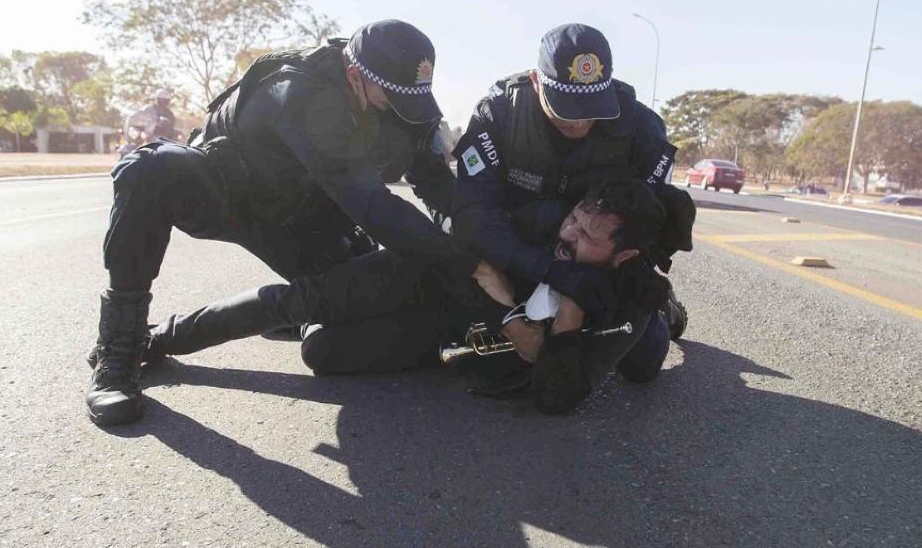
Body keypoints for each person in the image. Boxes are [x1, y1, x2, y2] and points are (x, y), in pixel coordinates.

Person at [85, 19, 485, 427]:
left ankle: (250, 324)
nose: (403, 111)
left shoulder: (399, 99)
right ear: (354, 76)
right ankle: (120, 343)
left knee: (351, 303)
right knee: (151, 168)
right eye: (392, 98)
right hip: (233, 195)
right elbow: (373, 206)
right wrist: (468, 264)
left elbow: (438, 186)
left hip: (309, 217)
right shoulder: (301, 89)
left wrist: (485, 245)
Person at [143, 177, 676, 415]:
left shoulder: (629, 299)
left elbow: (558, 398)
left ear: (623, 255)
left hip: (457, 335)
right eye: (573, 220)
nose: (568, 235)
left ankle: (670, 320)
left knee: (645, 361)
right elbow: (465, 251)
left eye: (588, 237)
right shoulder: (537, 222)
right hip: (432, 277)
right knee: (303, 304)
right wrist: (508, 309)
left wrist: (560, 322)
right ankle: (158, 338)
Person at [449, 23, 694, 329]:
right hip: (517, 247)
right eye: (566, 108)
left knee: (640, 364)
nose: (579, 122)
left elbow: (647, 221)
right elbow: (473, 215)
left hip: (596, 261)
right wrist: (549, 270)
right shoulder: (498, 115)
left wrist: (625, 275)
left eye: (591, 107)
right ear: (537, 81)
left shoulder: (641, 128)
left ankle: (661, 314)